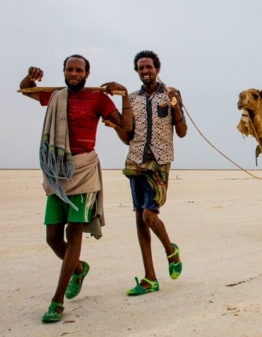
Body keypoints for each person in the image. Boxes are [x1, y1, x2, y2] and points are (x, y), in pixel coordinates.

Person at [20, 55, 130, 323]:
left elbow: (127, 131)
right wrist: (30, 77)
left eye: (79, 70)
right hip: (57, 173)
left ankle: (57, 301)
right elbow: (25, 90)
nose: (74, 73)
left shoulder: (99, 99)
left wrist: (124, 96)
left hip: (83, 173)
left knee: (74, 232)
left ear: (87, 73)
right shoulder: (56, 96)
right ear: (64, 72)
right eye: (69, 69)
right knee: (53, 238)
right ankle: (79, 269)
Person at [107, 50, 187, 296]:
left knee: (149, 217)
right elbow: (128, 137)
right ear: (137, 71)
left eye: (148, 67)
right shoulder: (131, 99)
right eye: (140, 68)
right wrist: (115, 127)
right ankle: (150, 278)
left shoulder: (171, 94)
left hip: (160, 162)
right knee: (139, 218)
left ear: (157, 68)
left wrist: (175, 106)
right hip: (135, 161)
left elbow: (182, 132)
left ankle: (170, 251)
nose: (145, 71)